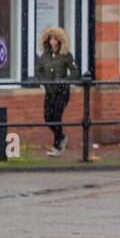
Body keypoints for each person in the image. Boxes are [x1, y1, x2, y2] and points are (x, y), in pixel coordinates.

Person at [37, 26, 78, 156]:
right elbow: (39, 71)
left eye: (55, 38)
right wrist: (43, 80)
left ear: (60, 40)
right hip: (49, 91)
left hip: (62, 91)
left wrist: (64, 80)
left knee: (56, 116)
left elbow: (75, 72)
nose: (52, 41)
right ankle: (61, 137)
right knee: (47, 118)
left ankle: (57, 146)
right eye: (50, 38)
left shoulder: (66, 55)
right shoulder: (45, 56)